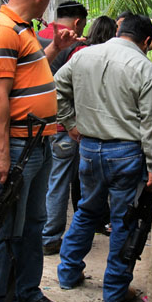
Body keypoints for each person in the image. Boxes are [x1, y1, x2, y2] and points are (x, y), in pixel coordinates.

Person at [0, 0, 80, 302]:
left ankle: (27, 290)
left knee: (35, 223)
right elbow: (0, 97)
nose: (48, 1)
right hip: (19, 146)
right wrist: (1, 151)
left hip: (39, 142)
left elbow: (32, 76)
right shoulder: (4, 30)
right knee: (5, 226)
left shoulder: (24, 30)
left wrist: (55, 47)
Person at [55, 14, 152, 302]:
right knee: (123, 222)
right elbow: (149, 124)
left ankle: (67, 274)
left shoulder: (84, 56)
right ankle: (114, 291)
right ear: (146, 41)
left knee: (86, 212)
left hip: (88, 149)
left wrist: (70, 123)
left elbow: (56, 87)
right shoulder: (145, 68)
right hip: (126, 153)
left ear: (119, 30)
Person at [42, 15, 117, 255]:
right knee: (65, 185)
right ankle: (51, 237)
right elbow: (61, 88)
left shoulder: (80, 52)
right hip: (71, 132)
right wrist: (71, 123)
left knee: (59, 183)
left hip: (64, 129)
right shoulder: (91, 57)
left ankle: (52, 235)